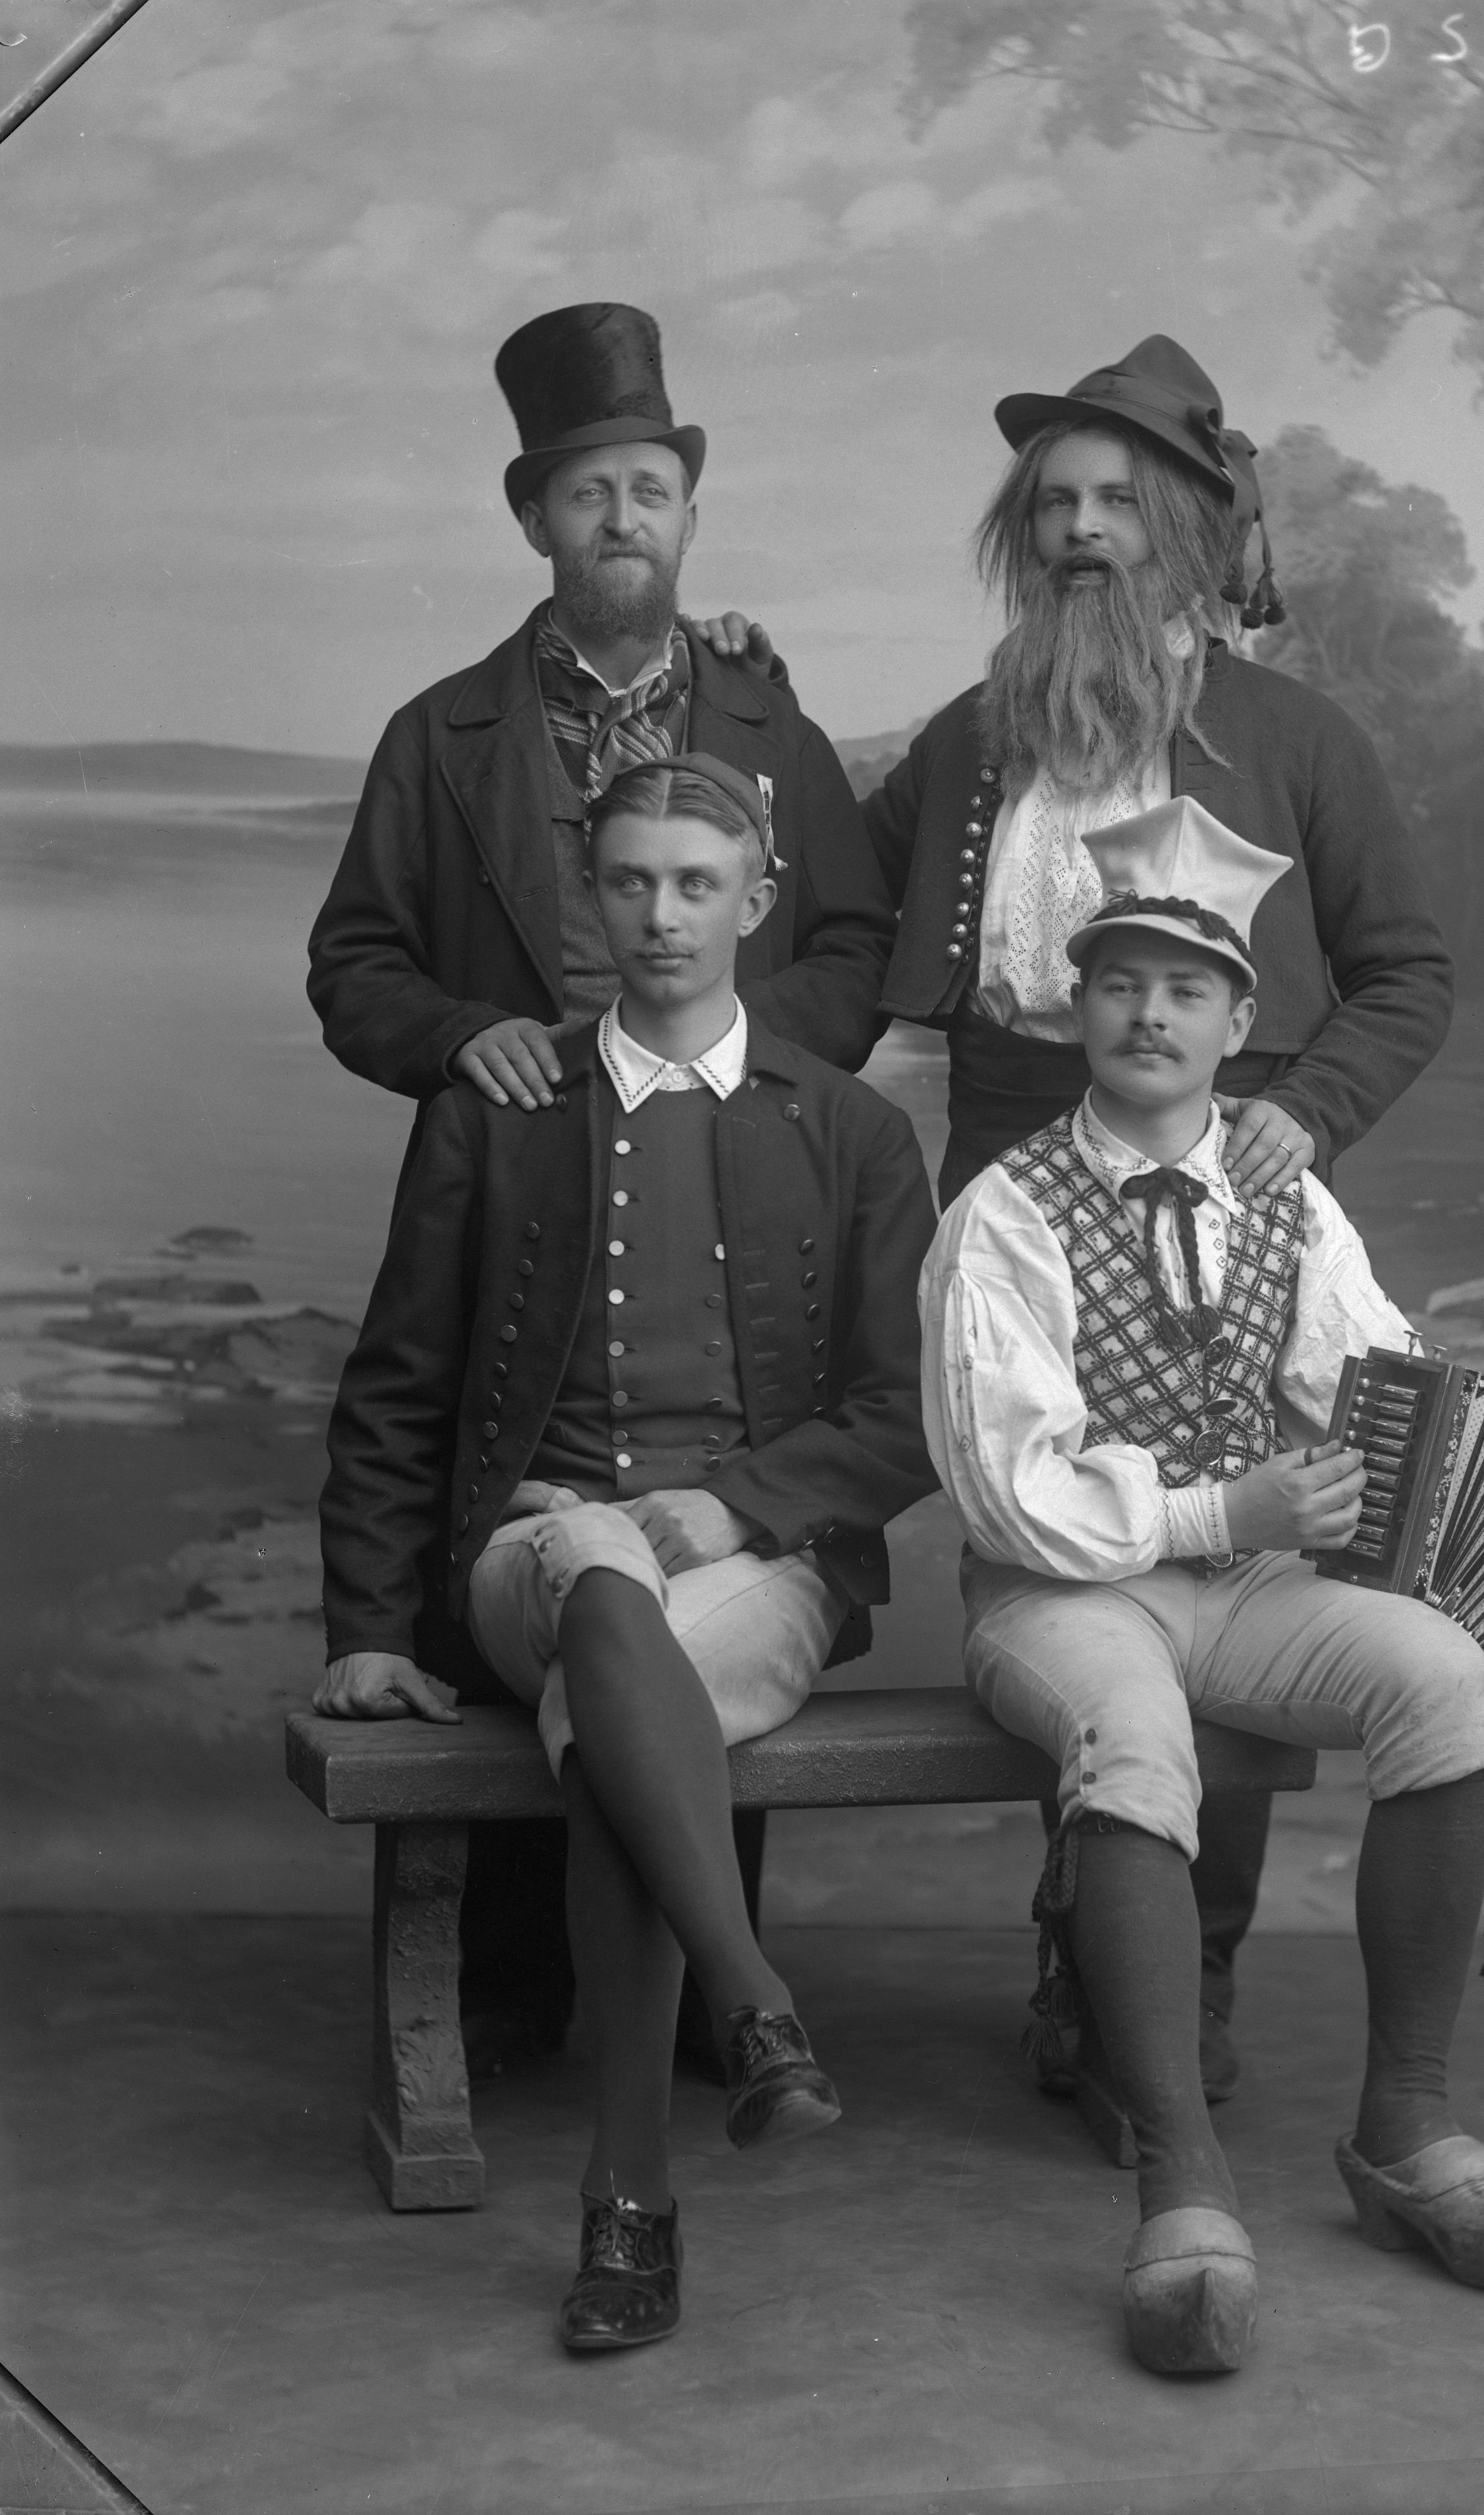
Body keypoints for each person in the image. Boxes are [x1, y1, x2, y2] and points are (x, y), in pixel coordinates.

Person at [698, 335, 1456, 2100]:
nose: (1081, 533)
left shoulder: (1293, 738)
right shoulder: (974, 739)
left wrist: (1304, 1112)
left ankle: (1179, 1986)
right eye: (1052, 507)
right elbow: (822, 892)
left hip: (1225, 1189)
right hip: (1012, 1179)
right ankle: (1090, 1960)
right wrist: (749, 707)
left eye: (1117, 503)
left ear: (1188, 533)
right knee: (1064, 1568)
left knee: (1229, 1569)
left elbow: (1404, 974)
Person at [917, 795, 1484, 2375]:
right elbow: (1008, 1489)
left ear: (1238, 1023)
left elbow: (1381, 1384)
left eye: (1186, 989)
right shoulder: (1002, 1211)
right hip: (1057, 1594)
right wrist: (1215, 1501)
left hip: (1242, 1582)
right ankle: (1180, 2182)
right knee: (1132, 1735)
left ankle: (1404, 2124)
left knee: (1442, 1680)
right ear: (1075, 1005)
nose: (1148, 1014)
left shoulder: (1285, 1198)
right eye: (1119, 982)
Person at [308, 302, 899, 2072]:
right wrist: (471, 1039)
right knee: (529, 1494)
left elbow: (854, 947)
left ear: (688, 515)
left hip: (726, 1173)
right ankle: (515, 1993)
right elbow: (353, 968)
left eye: (648, 487)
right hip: (515, 1173)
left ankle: (713, 2011)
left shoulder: (769, 721)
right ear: (534, 521)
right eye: (585, 492)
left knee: (700, 1503)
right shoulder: (441, 735)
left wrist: (737, 1069)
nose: (620, 517)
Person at [314, 753, 939, 2352]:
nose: (661, 916)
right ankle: (750, 1999)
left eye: (694, 884)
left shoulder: (851, 1128)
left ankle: (630, 2204)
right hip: (529, 1558)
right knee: (593, 1565)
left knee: (618, 1701)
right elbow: (399, 1385)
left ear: (757, 898)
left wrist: (738, 1504)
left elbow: (910, 1413)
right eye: (629, 881)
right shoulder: (496, 1112)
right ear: (589, 897)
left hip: (761, 1572)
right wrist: (369, 1626)